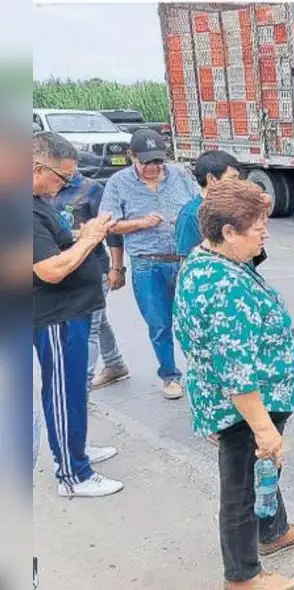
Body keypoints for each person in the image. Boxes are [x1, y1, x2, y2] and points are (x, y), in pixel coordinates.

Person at [173, 178, 294, 590]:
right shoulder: (222, 285)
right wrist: (264, 428)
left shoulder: (214, 260)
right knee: (240, 486)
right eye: (258, 228)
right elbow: (237, 375)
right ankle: (242, 576)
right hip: (241, 407)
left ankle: (273, 531)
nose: (266, 233)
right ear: (227, 232)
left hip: (257, 394)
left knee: (263, 468)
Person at [32, 131, 124, 497]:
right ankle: (72, 474)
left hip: (72, 311)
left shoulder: (38, 202)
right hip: (57, 316)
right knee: (62, 391)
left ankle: (76, 451)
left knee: (72, 390)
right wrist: (88, 239)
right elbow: (49, 269)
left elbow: (54, 244)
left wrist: (83, 234)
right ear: (37, 168)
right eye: (63, 177)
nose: (67, 184)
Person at [99, 129, 199, 400]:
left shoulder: (180, 175)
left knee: (195, 320)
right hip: (147, 264)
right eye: (148, 162)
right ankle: (170, 375)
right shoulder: (118, 183)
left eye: (159, 161)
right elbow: (107, 225)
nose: (155, 167)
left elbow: (202, 206)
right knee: (159, 323)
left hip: (185, 260)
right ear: (133, 157)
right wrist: (140, 224)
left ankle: (203, 374)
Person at [52, 170, 130, 391]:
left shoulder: (91, 190)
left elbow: (112, 231)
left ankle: (80, 385)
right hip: (63, 265)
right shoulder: (40, 190)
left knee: (89, 326)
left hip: (93, 268)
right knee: (98, 319)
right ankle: (115, 363)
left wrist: (117, 267)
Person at [176, 150, 268, 265]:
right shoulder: (190, 214)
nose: (237, 183)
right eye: (232, 178)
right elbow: (187, 261)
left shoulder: (235, 205)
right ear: (211, 179)